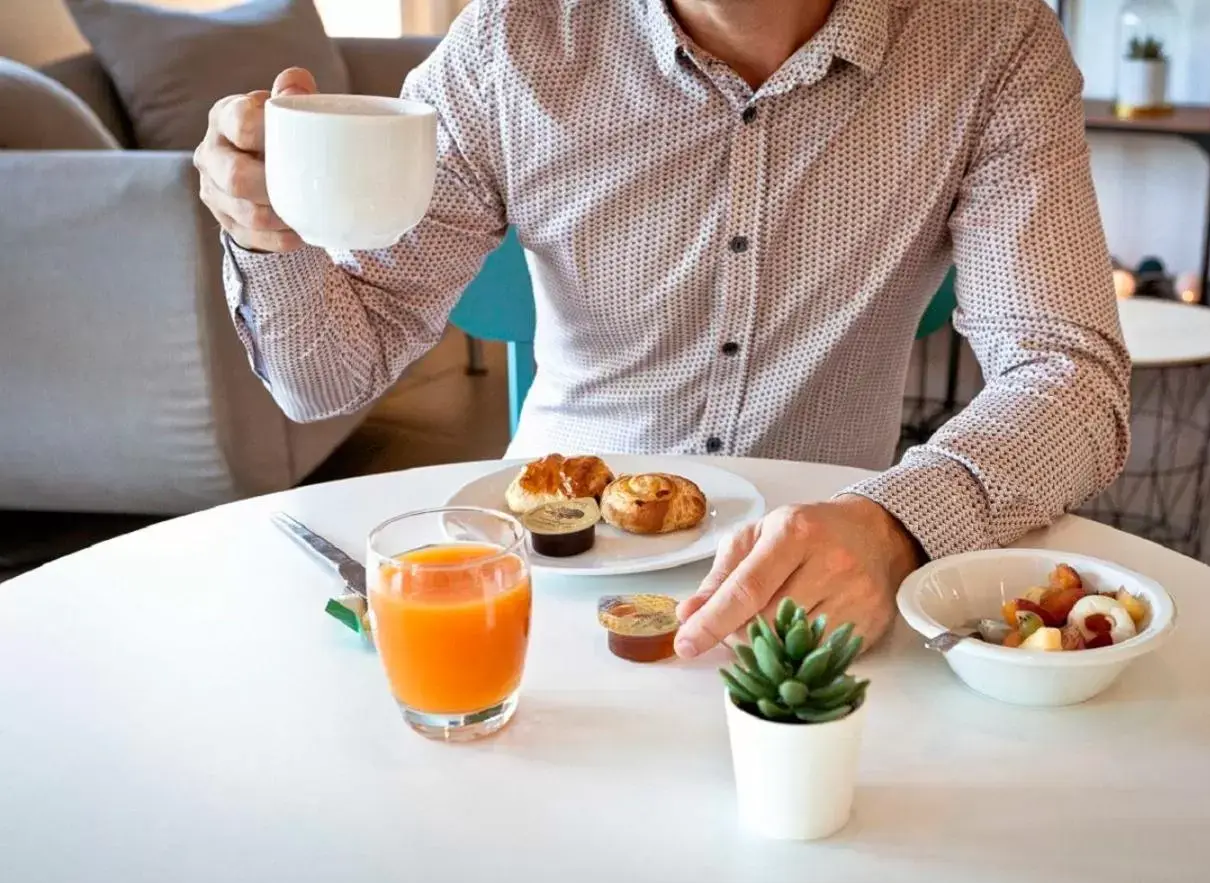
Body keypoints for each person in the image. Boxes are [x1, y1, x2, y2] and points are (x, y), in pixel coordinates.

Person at [194, 0, 1130, 660]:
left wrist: (897, 525)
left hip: (822, 597)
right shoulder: (513, 41)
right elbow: (325, 377)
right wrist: (268, 238)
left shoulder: (993, 41)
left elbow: (1067, 370)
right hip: (539, 604)